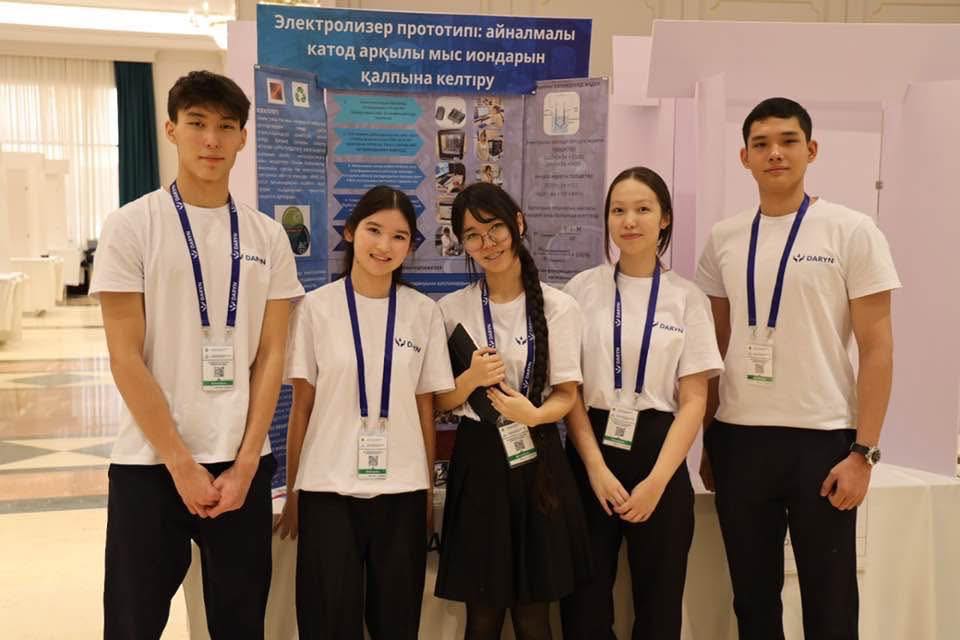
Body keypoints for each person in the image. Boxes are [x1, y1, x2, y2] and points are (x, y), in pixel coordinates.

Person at [92, 70, 304, 639]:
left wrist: (247, 463)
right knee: (133, 624)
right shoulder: (131, 226)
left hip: (240, 465)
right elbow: (124, 358)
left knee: (241, 624)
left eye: (226, 127)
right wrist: (181, 464)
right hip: (150, 463)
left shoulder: (267, 237)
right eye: (197, 124)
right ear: (171, 130)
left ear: (242, 138)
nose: (212, 139)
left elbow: (272, 355)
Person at [696, 97, 900, 640]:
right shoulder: (724, 238)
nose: (775, 153)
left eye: (788, 141)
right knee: (753, 602)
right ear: (744, 157)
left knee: (831, 603)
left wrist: (864, 452)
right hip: (740, 439)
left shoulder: (851, 230)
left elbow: (878, 348)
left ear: (811, 150)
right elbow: (714, 348)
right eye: (761, 144)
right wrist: (710, 439)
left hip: (823, 440)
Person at [275, 186, 455, 639]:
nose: (384, 245)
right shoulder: (315, 308)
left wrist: (425, 493)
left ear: (410, 246)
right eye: (374, 230)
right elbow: (302, 407)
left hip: (402, 493)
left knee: (397, 623)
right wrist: (294, 492)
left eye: (399, 236)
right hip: (327, 491)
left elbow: (425, 408)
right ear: (351, 232)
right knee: (328, 622)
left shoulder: (423, 313)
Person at [560, 167, 724, 639]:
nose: (629, 221)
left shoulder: (687, 298)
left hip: (659, 454)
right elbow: (568, 391)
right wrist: (595, 468)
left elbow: (694, 401)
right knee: (584, 605)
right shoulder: (580, 290)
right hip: (590, 449)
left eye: (642, 209)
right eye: (618, 210)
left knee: (659, 604)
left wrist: (656, 482)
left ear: (664, 218)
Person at [433, 182, 592, 640]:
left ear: (517, 224)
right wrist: (469, 380)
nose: (487, 243)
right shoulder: (450, 309)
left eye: (495, 228)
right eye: (473, 235)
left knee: (533, 616)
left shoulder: (560, 307)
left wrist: (533, 414)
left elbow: (566, 394)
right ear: (462, 243)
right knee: (482, 617)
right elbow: (439, 402)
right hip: (478, 460)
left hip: (538, 458)